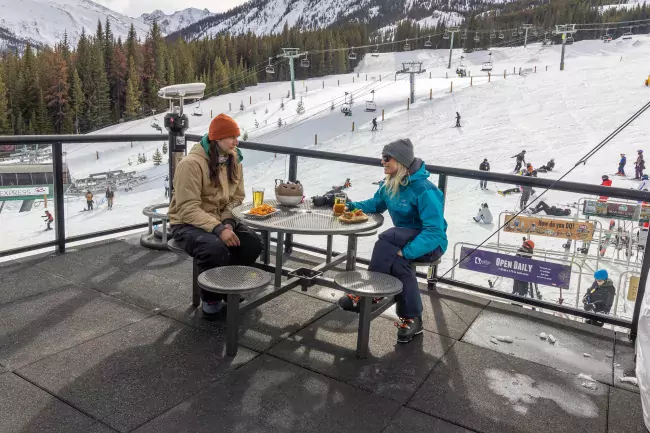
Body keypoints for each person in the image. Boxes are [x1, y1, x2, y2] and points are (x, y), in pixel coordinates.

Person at [338, 138, 448, 343]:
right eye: (382, 157)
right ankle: (412, 318)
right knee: (397, 261)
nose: (383, 162)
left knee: (388, 238)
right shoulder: (390, 184)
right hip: (401, 242)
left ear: (401, 161)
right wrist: (350, 206)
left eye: (387, 158)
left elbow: (435, 232)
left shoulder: (424, 189)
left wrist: (407, 251)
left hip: (430, 244)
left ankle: (371, 293)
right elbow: (376, 203)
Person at [168, 113, 263, 319]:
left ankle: (230, 288)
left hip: (221, 218)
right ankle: (211, 300)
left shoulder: (234, 159)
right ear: (217, 139)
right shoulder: (191, 164)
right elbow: (187, 208)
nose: (236, 142)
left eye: (236, 137)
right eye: (232, 137)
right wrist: (218, 229)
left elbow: (237, 197)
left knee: (252, 244)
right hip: (187, 222)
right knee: (214, 248)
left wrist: (228, 223)